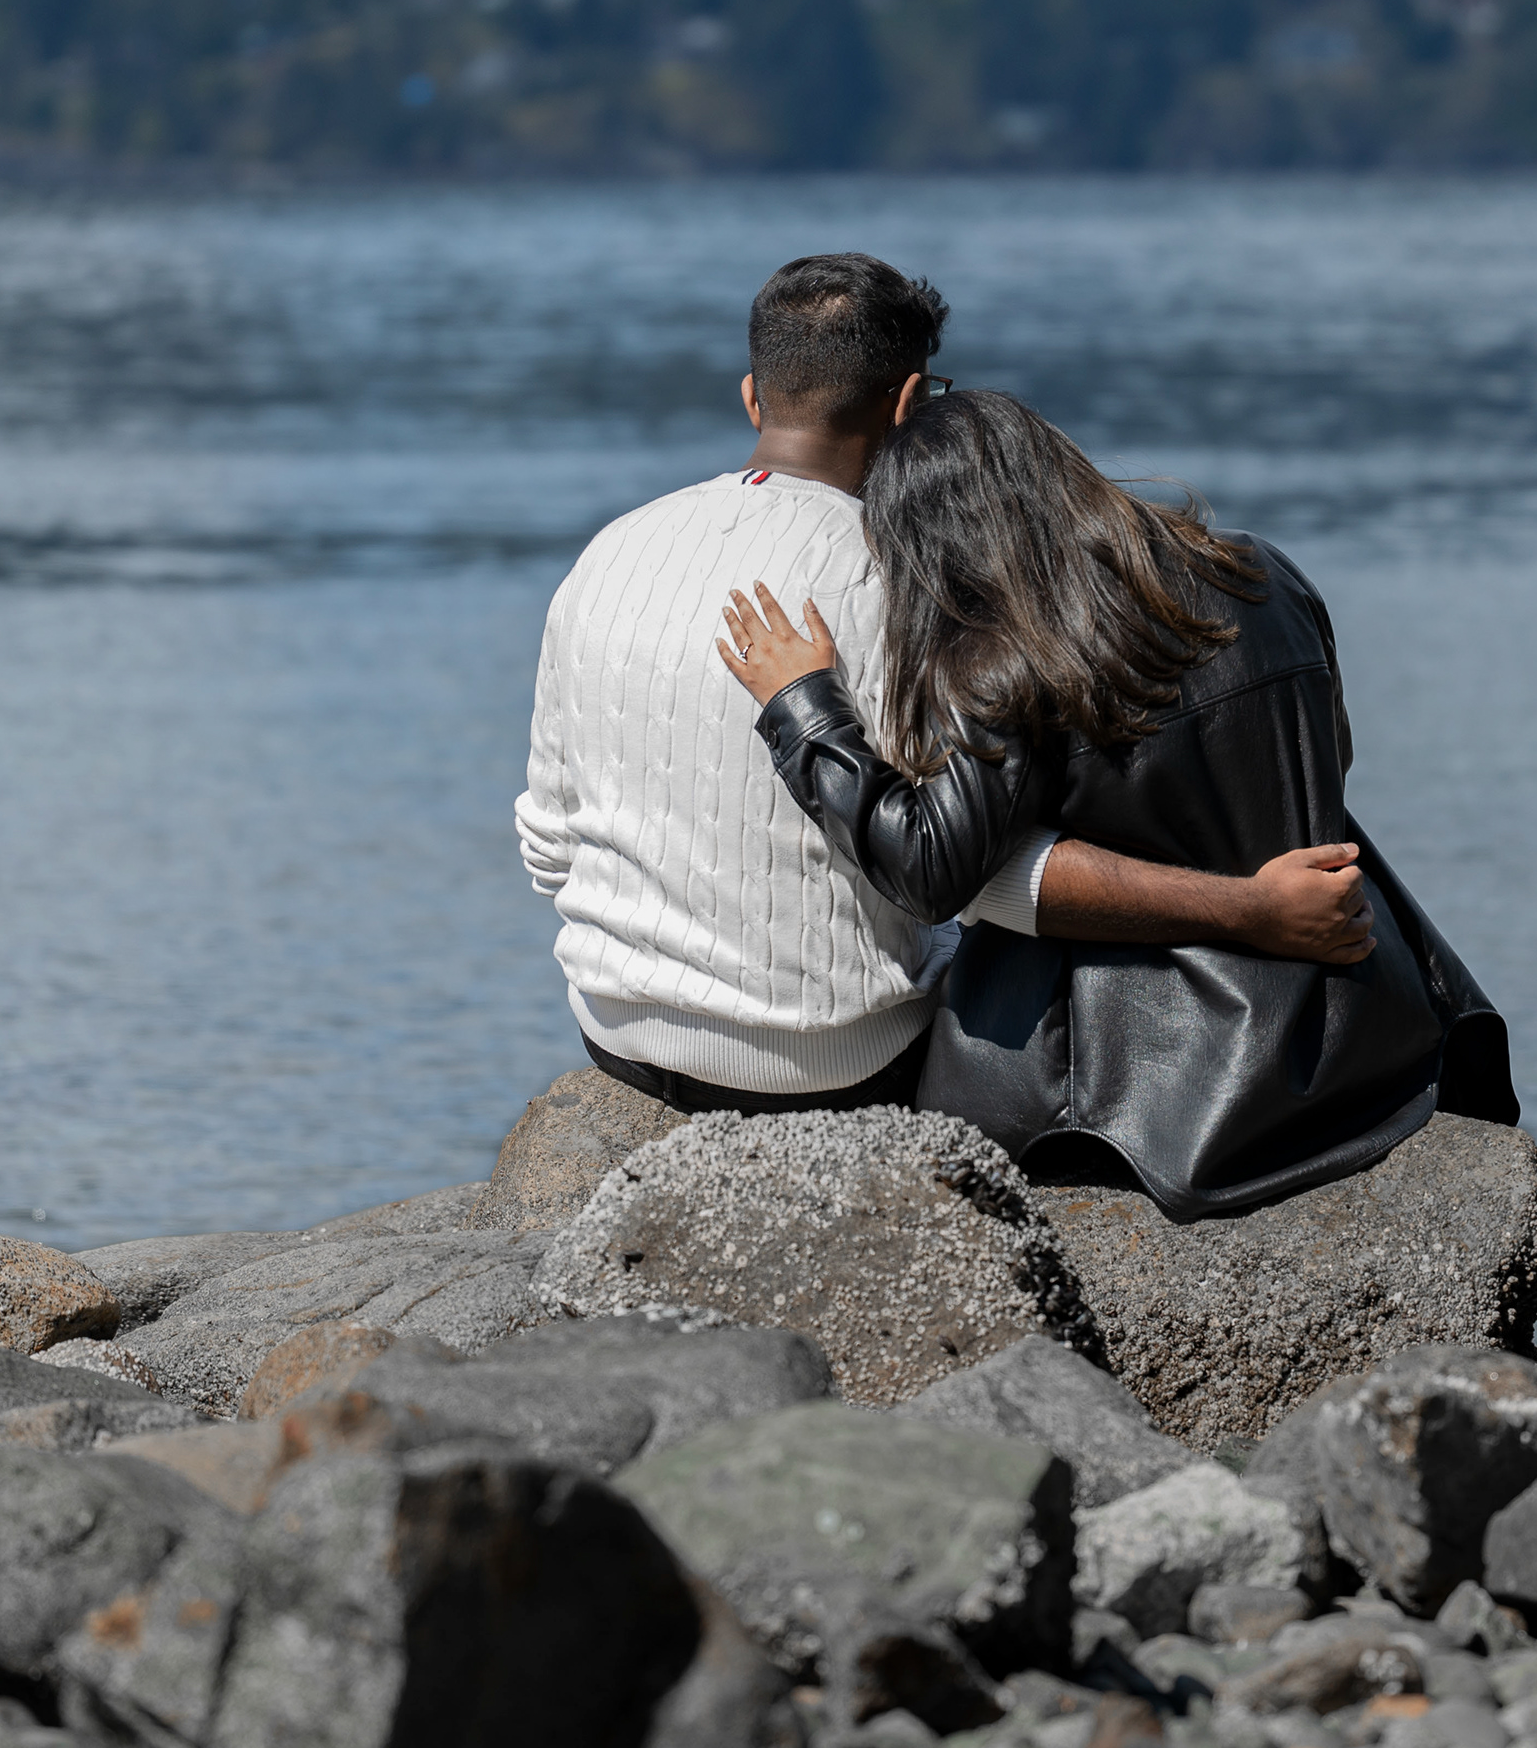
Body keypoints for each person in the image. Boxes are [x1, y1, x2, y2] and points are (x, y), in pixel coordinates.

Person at [516, 255, 1380, 1117]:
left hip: (617, 1032)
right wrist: (1247, 908)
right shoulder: (922, 585)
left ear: (752, 397)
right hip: (835, 1062)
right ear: (910, 403)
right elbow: (966, 874)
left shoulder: (606, 555)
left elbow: (549, 849)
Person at [714, 387, 1518, 1216]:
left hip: (1176, 1097)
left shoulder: (1009, 661)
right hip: (1354, 1025)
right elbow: (1330, 758)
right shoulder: (1261, 569)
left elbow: (928, 869)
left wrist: (806, 706)